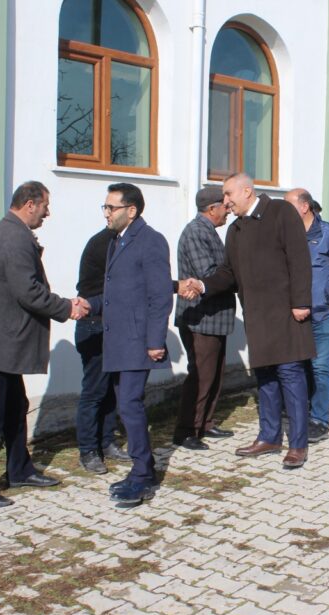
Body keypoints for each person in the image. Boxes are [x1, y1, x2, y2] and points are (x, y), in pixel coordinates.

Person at [0, 181, 87, 508]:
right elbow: (28, 292)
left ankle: (19, 469)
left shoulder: (12, 232)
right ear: (30, 204)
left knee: (14, 407)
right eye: (45, 206)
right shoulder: (13, 237)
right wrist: (67, 307)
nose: (47, 213)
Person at [180, 173, 315, 469]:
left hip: (286, 313)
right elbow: (228, 273)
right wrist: (202, 285)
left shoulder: (280, 212)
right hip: (256, 315)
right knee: (265, 378)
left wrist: (301, 302)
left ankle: (298, 444)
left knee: (290, 375)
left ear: (247, 191)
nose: (225, 201)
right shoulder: (236, 229)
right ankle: (269, 437)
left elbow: (299, 259)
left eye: (229, 194)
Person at [86, 183, 173, 506]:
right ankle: (142, 468)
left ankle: (142, 475)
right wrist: (90, 305)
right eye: (105, 207)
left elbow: (160, 295)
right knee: (127, 406)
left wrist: (155, 341)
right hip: (119, 339)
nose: (106, 213)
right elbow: (118, 293)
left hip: (138, 341)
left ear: (131, 210)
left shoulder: (151, 241)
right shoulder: (117, 241)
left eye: (112, 207)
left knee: (130, 406)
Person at [284, 188, 329, 444]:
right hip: (298, 316)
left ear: (304, 207)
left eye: (288, 204)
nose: (283, 210)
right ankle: (301, 410)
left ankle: (319, 420)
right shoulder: (288, 236)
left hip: (326, 314)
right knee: (301, 366)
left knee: (320, 367)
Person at [172, 187, 236, 451]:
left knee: (215, 374)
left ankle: (205, 423)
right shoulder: (197, 232)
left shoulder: (208, 231)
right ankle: (186, 430)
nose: (228, 211)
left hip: (214, 318)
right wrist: (237, 275)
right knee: (201, 375)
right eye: (225, 206)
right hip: (201, 319)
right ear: (212, 209)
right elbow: (208, 274)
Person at [74, 226, 132, 473]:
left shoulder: (119, 241)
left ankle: (107, 441)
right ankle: (88, 450)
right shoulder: (105, 243)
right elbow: (125, 283)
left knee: (109, 390)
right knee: (95, 390)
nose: (108, 213)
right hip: (95, 325)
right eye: (107, 208)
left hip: (110, 324)